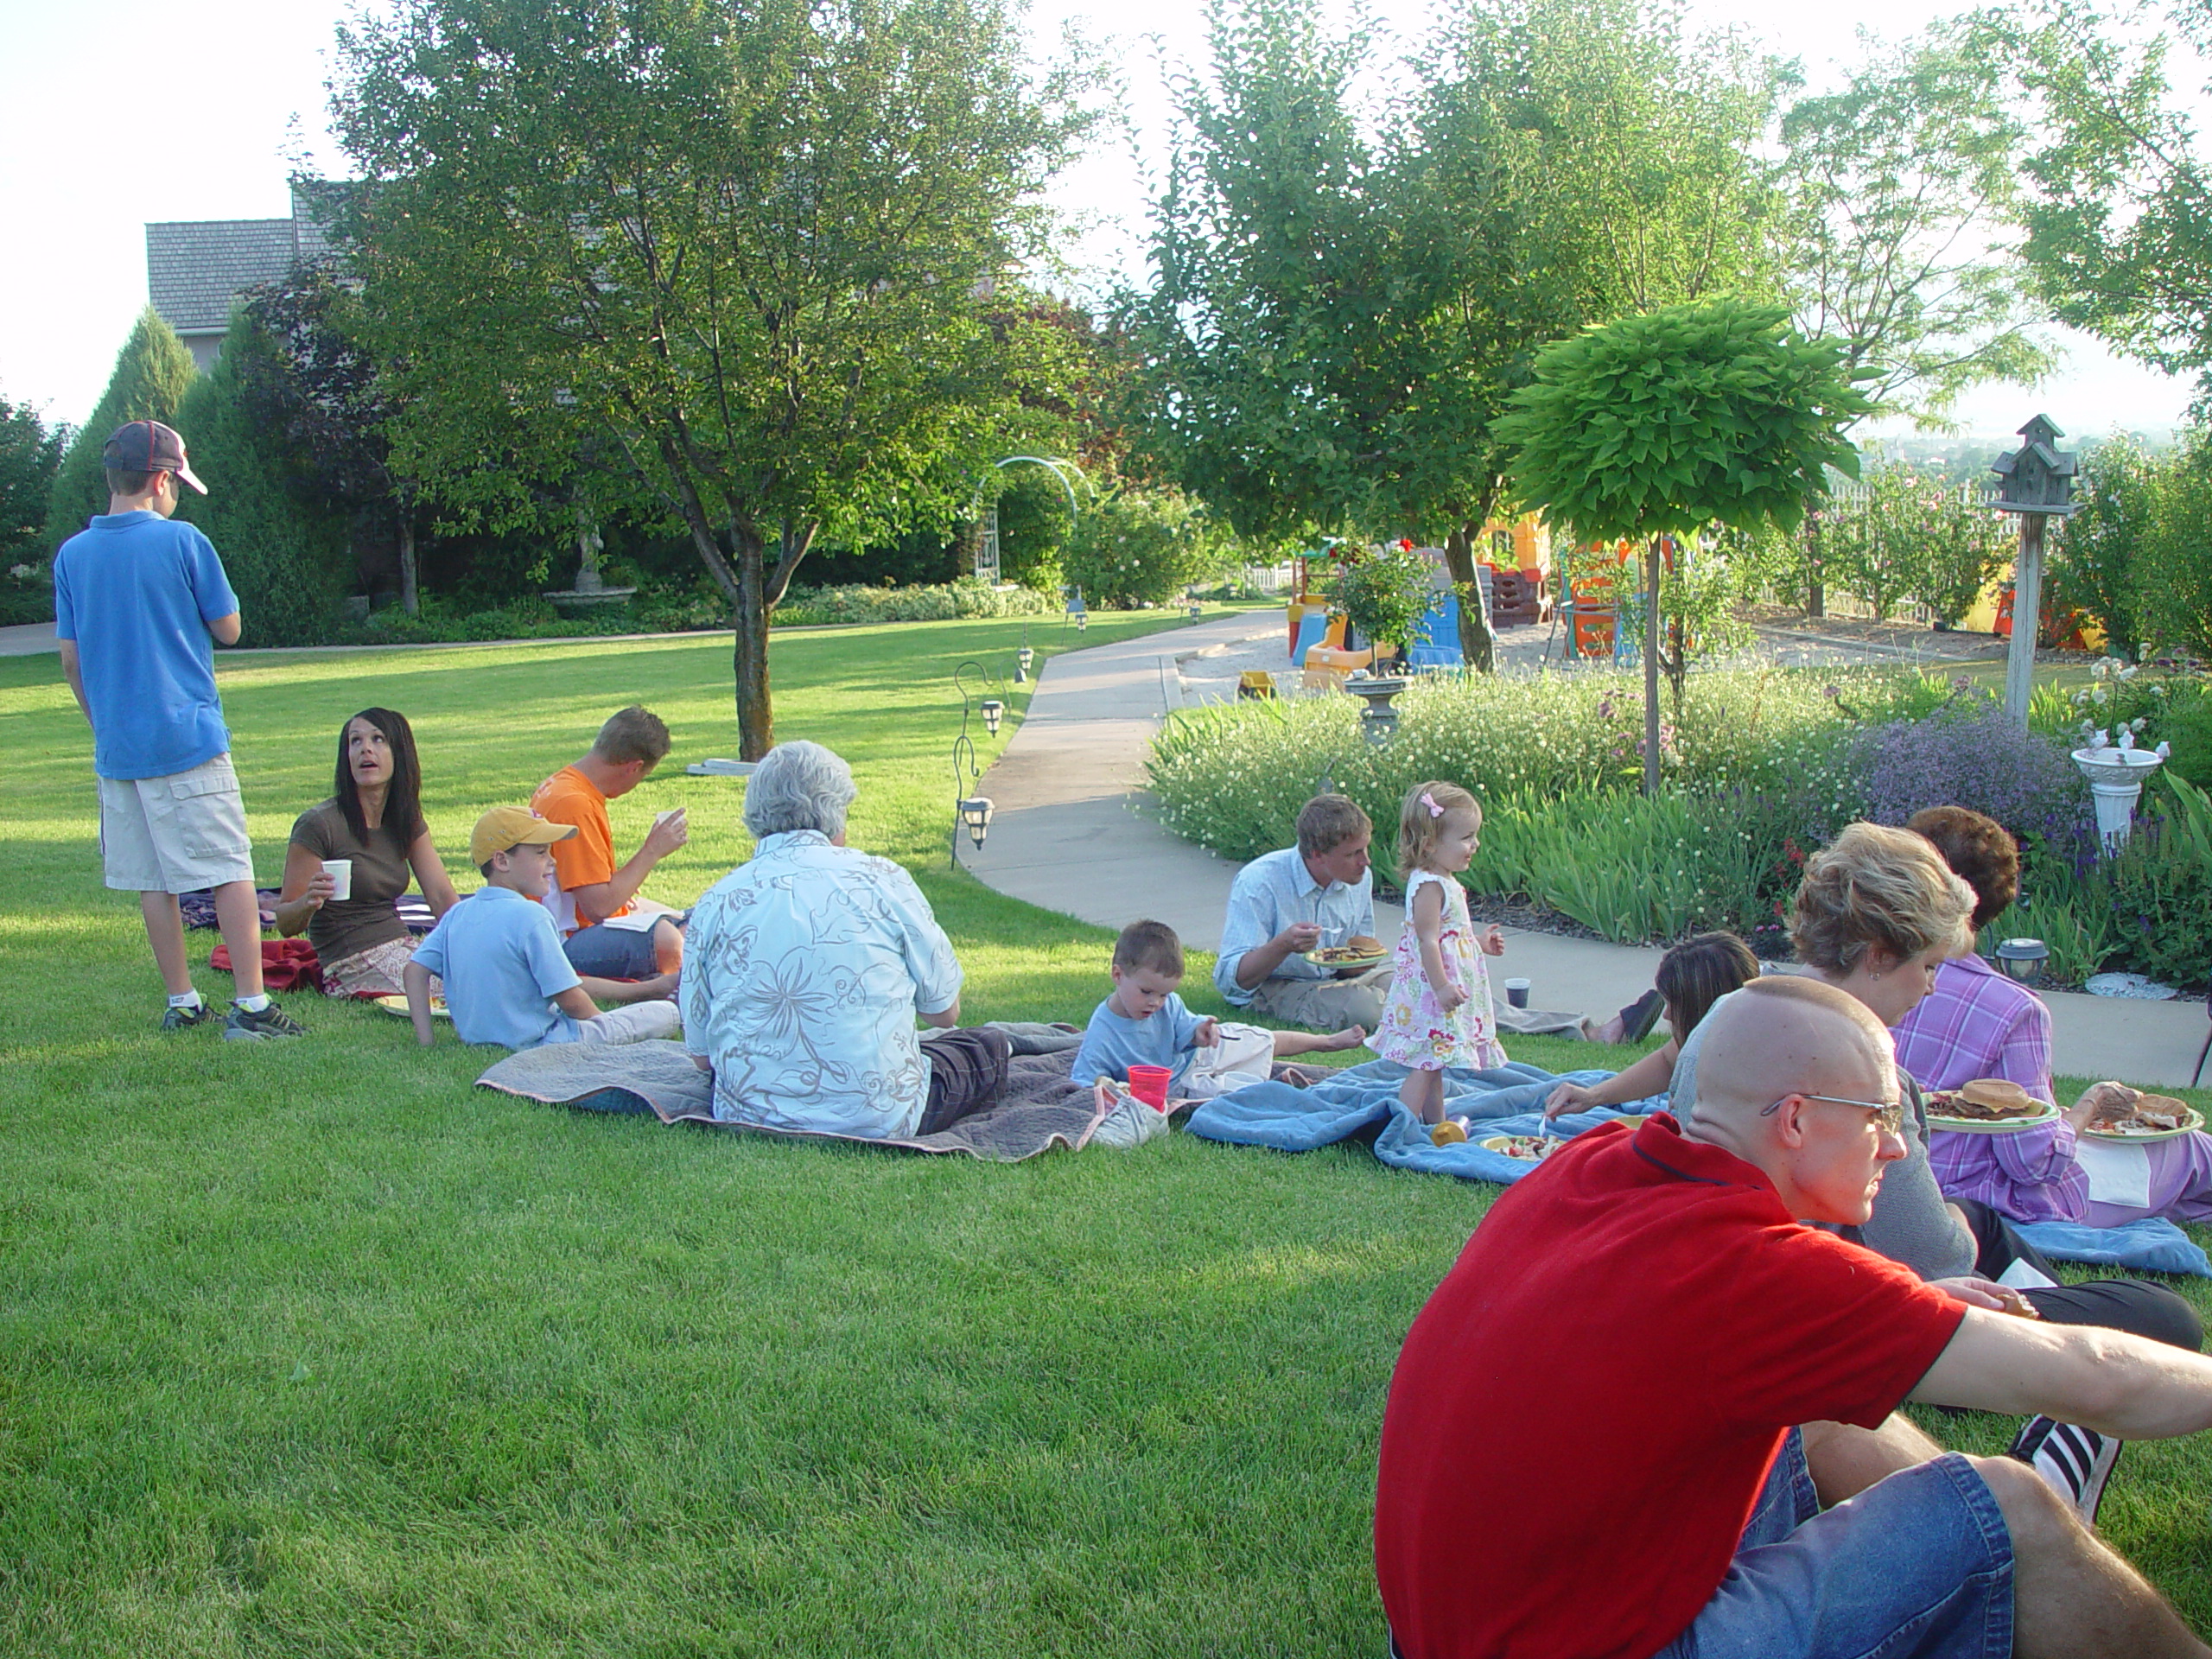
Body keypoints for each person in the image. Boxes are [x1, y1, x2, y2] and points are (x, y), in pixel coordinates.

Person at [1375, 976, 2212, 1659]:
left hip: (1454, 1631)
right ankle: (2020, 1573)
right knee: (2010, 1504)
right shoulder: (1758, 1276)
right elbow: (2101, 1381)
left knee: (1812, 1412)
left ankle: (1976, 1579)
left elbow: (1729, 1318)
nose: (1896, 1145)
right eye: (1883, 1117)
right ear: (1796, 1120)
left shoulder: (1596, 1163)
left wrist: (1898, 1306)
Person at [1671, 822, 2201, 1516]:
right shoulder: (1848, 1063)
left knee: (1987, 1224)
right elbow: (1927, 1257)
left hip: (1805, 1290)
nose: (1932, 988)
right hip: (1851, 1314)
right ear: (1881, 955)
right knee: (2157, 1318)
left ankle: (2039, 1340)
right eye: (1927, 966)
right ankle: (2039, 1477)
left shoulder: (1735, 1021)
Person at [51, 419, 304, 1040]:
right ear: (162, 479)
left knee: (152, 878)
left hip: (119, 749)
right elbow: (229, 628)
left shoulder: (72, 555)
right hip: (188, 738)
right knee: (230, 868)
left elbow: (70, 658)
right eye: (176, 484)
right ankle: (251, 1007)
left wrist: (104, 724)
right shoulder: (184, 541)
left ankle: (183, 1001)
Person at [680, 741, 1008, 1138]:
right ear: (836, 814)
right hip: (880, 1116)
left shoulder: (716, 900)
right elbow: (943, 1013)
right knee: (986, 1045)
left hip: (748, 1116)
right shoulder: (882, 879)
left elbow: (701, 1056)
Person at [1905, 804, 2212, 1229]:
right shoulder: (2011, 1007)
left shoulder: (1863, 975)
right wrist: (2091, 1104)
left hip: (1895, 1185)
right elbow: (2033, 1163)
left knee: (2176, 1179)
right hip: (1986, 1204)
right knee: (2191, 1151)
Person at [403, 806, 680, 1050]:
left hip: (476, 1040)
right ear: (501, 861)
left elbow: (414, 971)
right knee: (665, 1013)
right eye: (540, 853)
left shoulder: (457, 915)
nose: (553, 861)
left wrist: (426, 1042)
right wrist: (605, 1028)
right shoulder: (531, 916)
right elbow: (569, 997)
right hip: (547, 1043)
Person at [274, 709, 460, 996]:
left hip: (402, 944)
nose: (366, 749)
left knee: (485, 973)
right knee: (453, 990)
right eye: (355, 741)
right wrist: (308, 902)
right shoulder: (319, 823)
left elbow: (441, 896)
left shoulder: (405, 818)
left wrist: (471, 946)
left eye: (378, 739)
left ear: (400, 752)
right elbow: (285, 922)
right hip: (351, 962)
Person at [1071, 919, 1363, 1100]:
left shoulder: (1165, 1004)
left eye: (1164, 994)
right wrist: (1110, 1089)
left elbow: (1185, 1029)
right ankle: (1286, 1090)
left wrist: (1200, 1032)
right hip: (1178, 1083)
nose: (1155, 1003)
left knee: (1256, 1038)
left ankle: (1325, 1042)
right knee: (1235, 1093)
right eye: (1147, 992)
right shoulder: (1103, 1031)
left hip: (1195, 1056)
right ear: (1118, 975)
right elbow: (1085, 1082)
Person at [1371, 782, 1507, 1125]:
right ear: (1430, 843)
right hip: (1432, 995)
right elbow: (1427, 940)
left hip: (1439, 993)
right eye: (1466, 837)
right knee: (1427, 1064)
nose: (1474, 845)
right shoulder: (1429, 884)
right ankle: (1401, 1123)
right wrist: (1443, 986)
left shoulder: (1443, 879)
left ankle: (1437, 1124)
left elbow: (1450, 936)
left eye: (1475, 835)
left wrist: (1477, 943)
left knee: (1435, 1062)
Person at [531, 706, 688, 979]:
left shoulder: (567, 785)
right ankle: (673, 982)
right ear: (634, 767)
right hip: (564, 943)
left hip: (576, 927)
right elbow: (599, 908)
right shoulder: (574, 804)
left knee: (701, 919)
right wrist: (653, 850)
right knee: (667, 938)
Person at [1213, 794, 1390, 1032]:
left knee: (1418, 985)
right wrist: (1284, 945)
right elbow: (1232, 983)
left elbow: (1351, 962)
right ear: (1317, 854)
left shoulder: (1359, 878)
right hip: (1277, 987)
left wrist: (1364, 960)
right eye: (1352, 854)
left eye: (1365, 849)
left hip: (1336, 981)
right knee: (1366, 1009)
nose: (1366, 861)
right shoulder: (1259, 881)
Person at [1541, 930, 1758, 1118]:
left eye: (1675, 1004)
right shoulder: (1718, 1031)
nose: (1667, 1015)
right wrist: (1593, 1096)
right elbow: (1667, 1060)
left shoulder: (1752, 1063)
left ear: (1702, 1005)